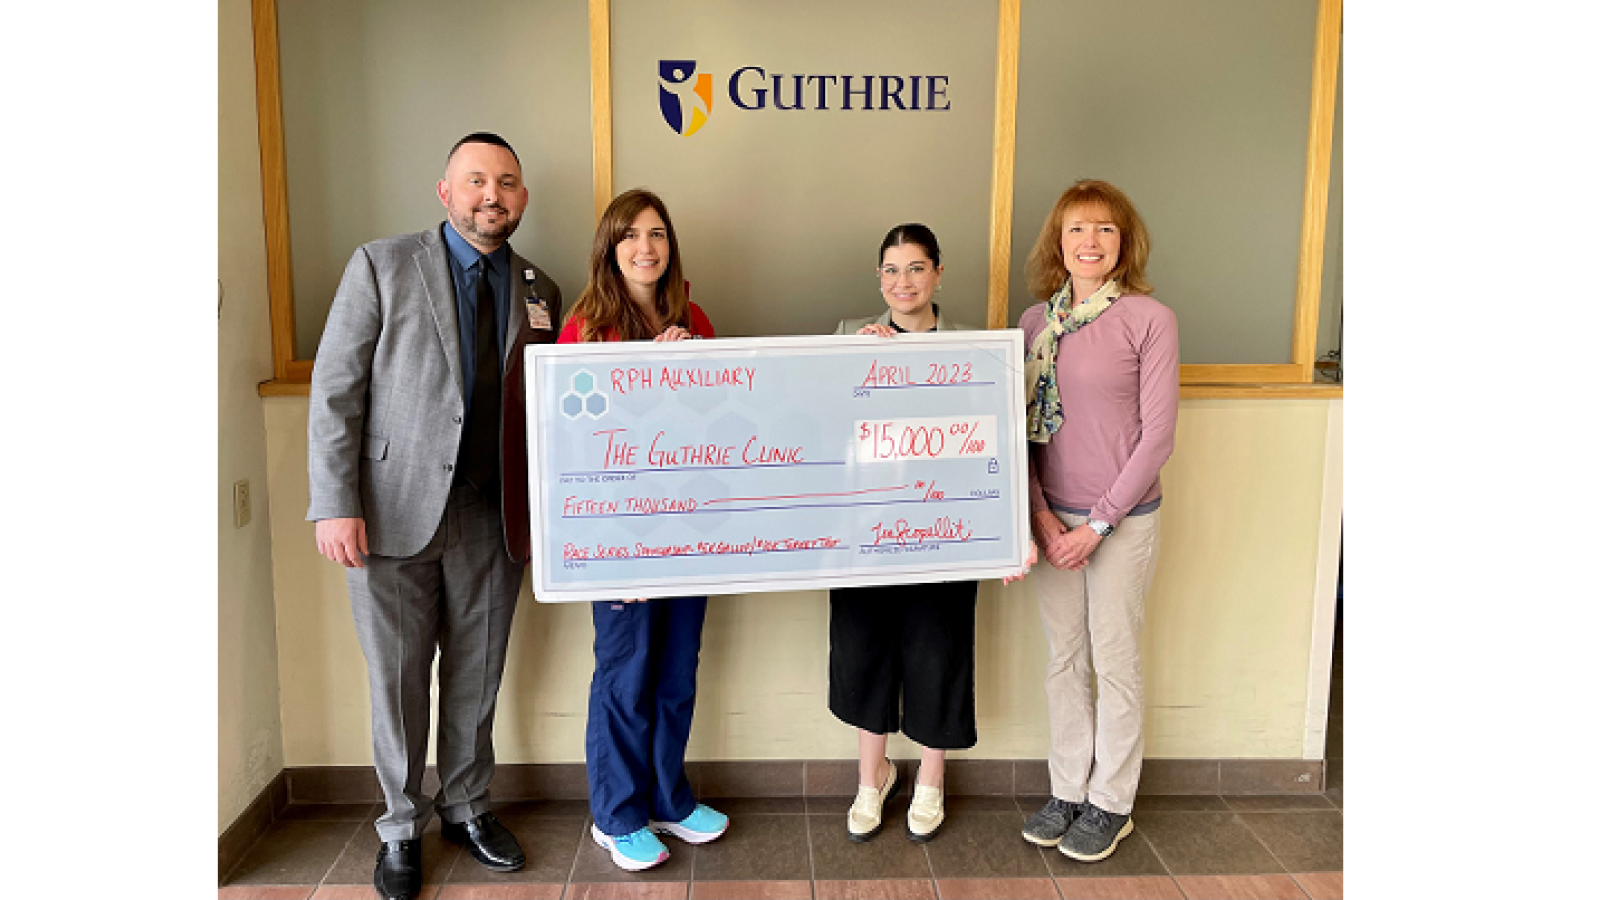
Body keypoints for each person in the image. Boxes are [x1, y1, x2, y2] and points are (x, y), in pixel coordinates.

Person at [307, 132, 562, 900]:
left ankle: (466, 806)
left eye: (508, 182)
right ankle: (398, 827)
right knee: (398, 680)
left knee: (476, 679)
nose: (494, 194)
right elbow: (335, 393)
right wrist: (334, 504)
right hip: (388, 517)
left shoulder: (539, 286)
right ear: (446, 192)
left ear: (522, 198)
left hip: (495, 520)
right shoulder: (382, 264)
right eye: (477, 180)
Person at [557, 188, 728, 871]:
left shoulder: (697, 316)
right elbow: (575, 433)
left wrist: (689, 369)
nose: (645, 247)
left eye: (656, 234)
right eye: (630, 235)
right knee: (626, 670)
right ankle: (616, 813)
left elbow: (724, 415)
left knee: (675, 670)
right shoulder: (586, 325)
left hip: (687, 526)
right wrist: (649, 371)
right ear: (609, 247)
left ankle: (667, 797)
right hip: (619, 532)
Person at [1013, 180, 1178, 863]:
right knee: (1065, 661)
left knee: (1114, 661)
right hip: (1053, 522)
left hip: (1121, 524)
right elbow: (1015, 431)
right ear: (1058, 240)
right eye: (1078, 229)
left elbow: (1158, 436)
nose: (1090, 242)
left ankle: (1111, 803)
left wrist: (1098, 525)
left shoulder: (1149, 318)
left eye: (1105, 230)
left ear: (1124, 242)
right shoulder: (1032, 324)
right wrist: (1044, 519)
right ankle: (1067, 790)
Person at [828, 224, 977, 844]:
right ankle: (873, 775)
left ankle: (932, 777)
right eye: (890, 270)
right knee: (864, 645)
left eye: (916, 269)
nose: (902, 282)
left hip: (945, 524)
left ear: (939, 273)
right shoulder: (845, 336)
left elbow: (986, 431)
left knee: (936, 647)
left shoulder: (977, 343)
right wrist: (855, 365)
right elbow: (823, 427)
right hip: (866, 525)